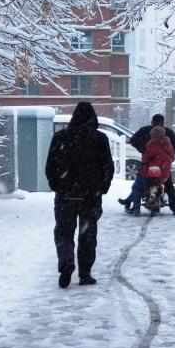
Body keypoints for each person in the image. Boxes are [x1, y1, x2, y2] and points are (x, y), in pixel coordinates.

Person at [45, 101, 114, 288]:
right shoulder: (99, 139)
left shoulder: (60, 137)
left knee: (64, 233)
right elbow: (108, 167)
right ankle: (85, 273)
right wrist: (102, 187)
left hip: (65, 196)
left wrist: (57, 186)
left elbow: (50, 166)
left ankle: (66, 264)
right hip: (90, 196)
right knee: (88, 235)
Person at [129, 114, 175, 214]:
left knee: (139, 185)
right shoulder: (168, 134)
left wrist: (142, 148)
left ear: (152, 122)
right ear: (163, 123)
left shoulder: (145, 131)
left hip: (148, 167)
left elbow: (133, 140)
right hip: (164, 168)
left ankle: (135, 206)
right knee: (169, 186)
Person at [120, 126, 175, 215]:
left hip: (151, 173)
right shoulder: (169, 145)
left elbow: (145, 158)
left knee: (136, 187)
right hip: (164, 173)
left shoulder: (152, 145)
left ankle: (136, 208)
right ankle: (127, 201)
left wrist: (144, 163)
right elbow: (172, 158)